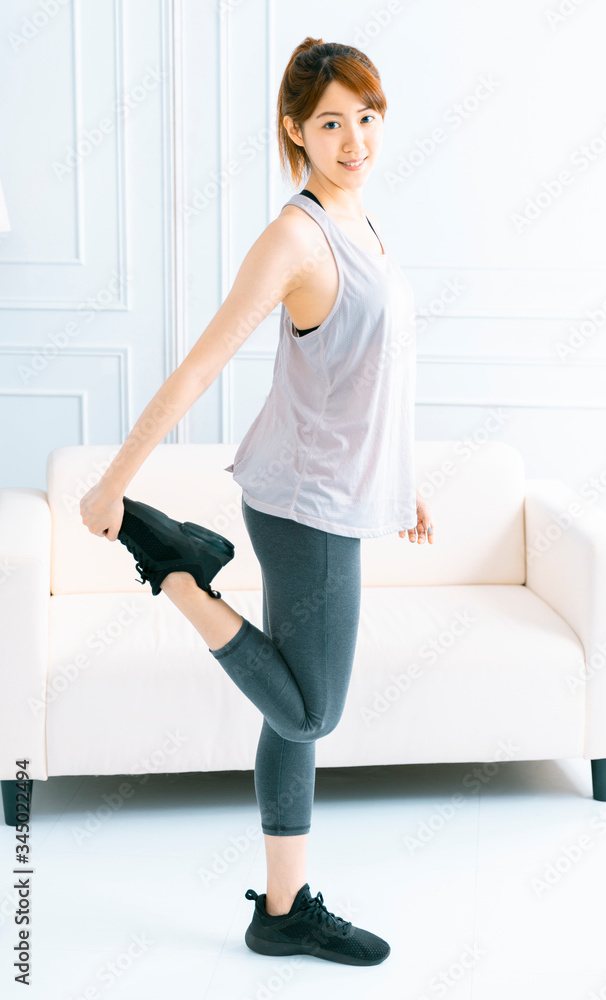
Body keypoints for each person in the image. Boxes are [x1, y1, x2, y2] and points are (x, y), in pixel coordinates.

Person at [79, 36, 434, 967]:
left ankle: (281, 913)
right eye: (331, 122)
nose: (354, 137)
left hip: (338, 496)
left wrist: (405, 482)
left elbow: (370, 377)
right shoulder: (296, 235)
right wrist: (116, 481)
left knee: (290, 714)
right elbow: (202, 363)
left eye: (366, 115)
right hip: (304, 504)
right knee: (315, 713)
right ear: (295, 131)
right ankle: (180, 572)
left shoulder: (361, 219)